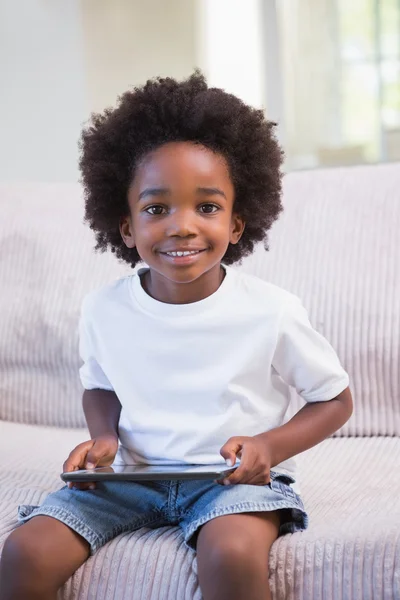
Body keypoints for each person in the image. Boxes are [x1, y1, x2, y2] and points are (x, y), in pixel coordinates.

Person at [0, 71, 353, 600]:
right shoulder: (104, 309)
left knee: (231, 553)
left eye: (207, 207)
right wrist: (103, 440)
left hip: (229, 485)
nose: (181, 226)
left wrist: (267, 446)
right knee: (25, 551)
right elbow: (99, 386)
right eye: (156, 208)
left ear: (236, 224)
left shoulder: (270, 310)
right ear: (126, 226)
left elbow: (335, 400)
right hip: (128, 482)